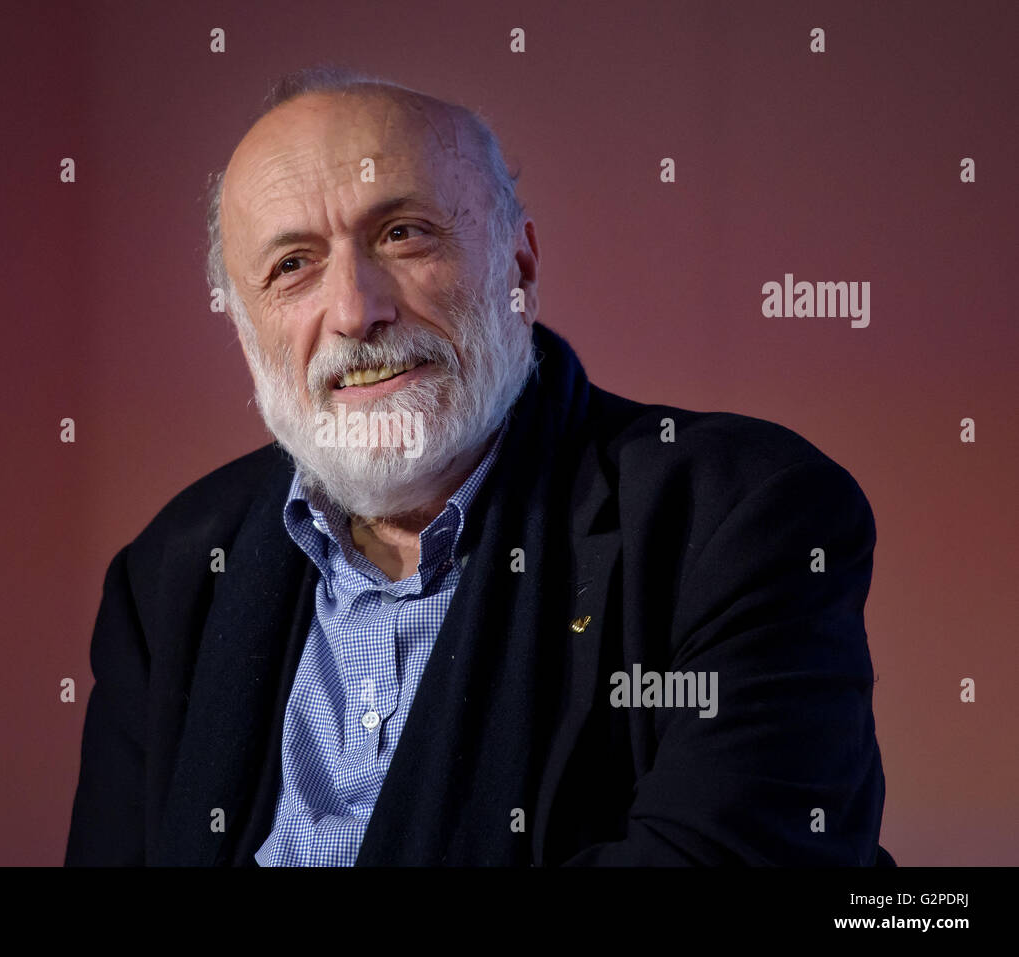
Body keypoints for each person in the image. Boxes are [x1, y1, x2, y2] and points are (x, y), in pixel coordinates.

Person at [64, 66, 892, 866]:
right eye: (292, 266)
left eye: (402, 233)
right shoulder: (168, 577)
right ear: (247, 335)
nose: (356, 310)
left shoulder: (736, 517)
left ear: (519, 270)